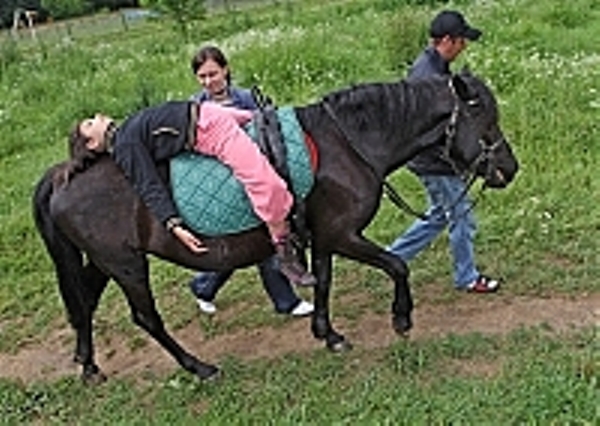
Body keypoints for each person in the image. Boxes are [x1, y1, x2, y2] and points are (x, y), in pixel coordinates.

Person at [73, 99, 317, 293]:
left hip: (210, 112)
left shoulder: (126, 133)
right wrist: (173, 223)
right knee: (267, 185)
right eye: (90, 123)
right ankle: (283, 248)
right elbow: (148, 184)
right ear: (92, 144)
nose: (97, 116)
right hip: (209, 129)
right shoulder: (124, 145)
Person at [187, 45, 314, 317]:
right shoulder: (196, 107)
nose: (209, 81)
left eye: (213, 74)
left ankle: (206, 286)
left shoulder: (246, 98)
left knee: (260, 237)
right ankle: (281, 300)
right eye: (202, 77)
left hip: (257, 178)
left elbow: (269, 132)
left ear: (226, 69)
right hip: (225, 184)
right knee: (247, 241)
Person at [387, 10, 499, 293]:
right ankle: (467, 277)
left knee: (439, 215)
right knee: (462, 217)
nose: (465, 47)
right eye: (462, 41)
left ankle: (392, 257)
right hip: (434, 163)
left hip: (432, 161)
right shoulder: (428, 77)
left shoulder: (435, 68)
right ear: (447, 40)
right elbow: (428, 130)